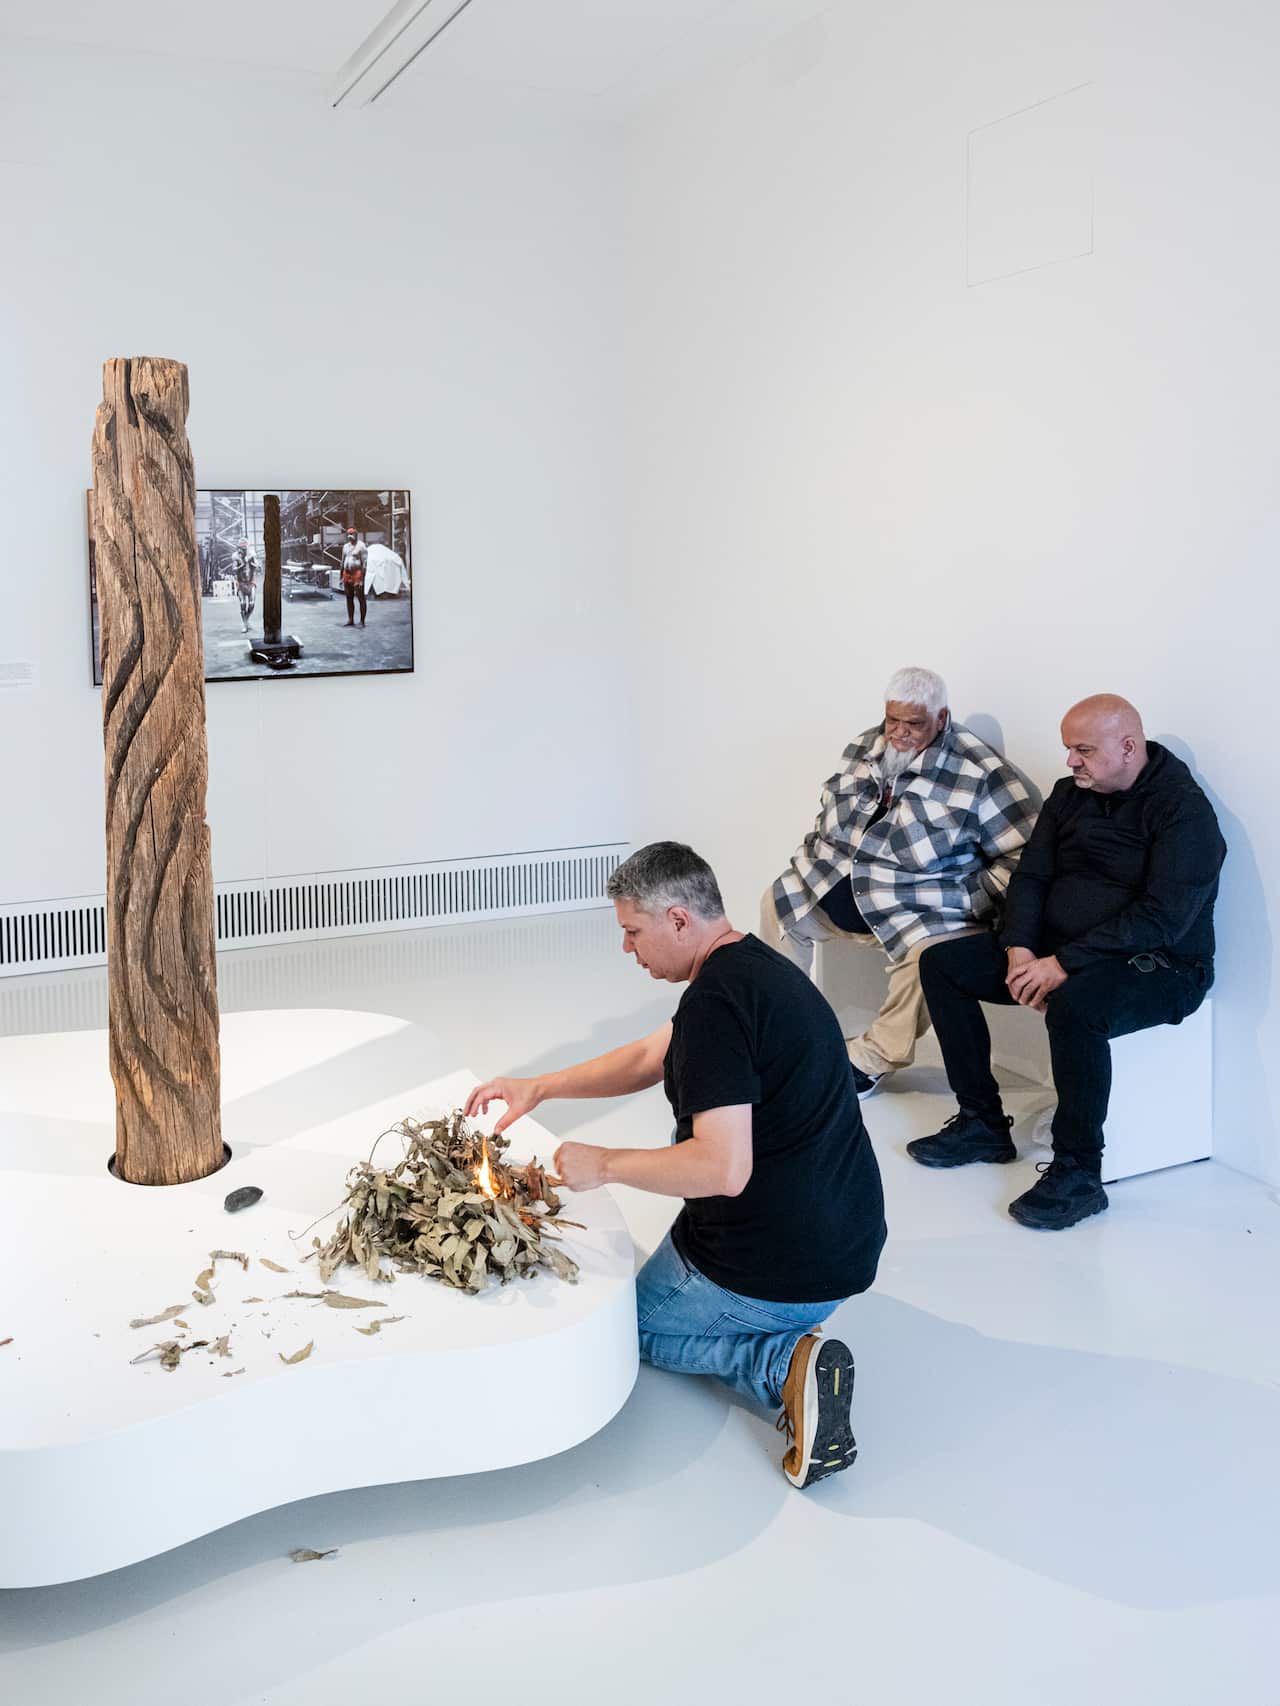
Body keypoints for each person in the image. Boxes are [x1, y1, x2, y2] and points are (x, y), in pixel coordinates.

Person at [465, 841, 886, 1489]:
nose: (628, 949)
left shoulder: (715, 1007)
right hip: (847, 1246)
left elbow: (722, 1170)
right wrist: (538, 1088)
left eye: (632, 931)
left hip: (777, 1267)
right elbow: (650, 1055)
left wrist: (602, 1162)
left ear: (679, 921)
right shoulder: (761, 972)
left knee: (621, 1334)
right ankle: (789, 1324)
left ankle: (784, 1363)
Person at [910, 695, 1226, 1230]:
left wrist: (1063, 964)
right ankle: (982, 1123)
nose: (1071, 762)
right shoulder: (1069, 795)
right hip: (1057, 951)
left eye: (1082, 750)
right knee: (943, 964)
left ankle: (1080, 1173)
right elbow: (1031, 876)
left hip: (1161, 965)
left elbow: (1161, 918)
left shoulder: (1183, 811)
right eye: (1068, 750)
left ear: (1128, 748)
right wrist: (1019, 947)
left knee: (1076, 1008)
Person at [762, 667, 1037, 1098]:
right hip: (842, 887)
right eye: (894, 720)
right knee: (777, 904)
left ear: (942, 718)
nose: (900, 734)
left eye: (914, 724)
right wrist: (806, 863)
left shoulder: (982, 772)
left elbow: (1024, 858)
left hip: (919, 908)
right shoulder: (862, 747)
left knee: (933, 957)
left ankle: (872, 1059)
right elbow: (827, 823)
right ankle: (782, 1033)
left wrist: (968, 900)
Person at [341, 527, 368, 627]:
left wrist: (362, 580)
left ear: (356, 535)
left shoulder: (361, 546)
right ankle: (350, 619)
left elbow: (364, 564)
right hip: (347, 573)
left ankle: (362, 621)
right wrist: (341, 576)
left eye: (352, 534)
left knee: (361, 598)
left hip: (357, 573)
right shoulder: (345, 547)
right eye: (348, 534)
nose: (350, 536)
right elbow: (342, 561)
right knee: (349, 597)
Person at [231, 539, 258, 634]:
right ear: (239, 548)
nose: (244, 550)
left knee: (252, 604)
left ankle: (246, 620)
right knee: (242, 604)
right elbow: (233, 570)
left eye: (245, 548)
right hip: (241, 582)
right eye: (242, 548)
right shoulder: (235, 556)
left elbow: (257, 567)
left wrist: (251, 563)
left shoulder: (252, 554)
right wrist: (241, 565)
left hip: (251, 582)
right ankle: (245, 625)